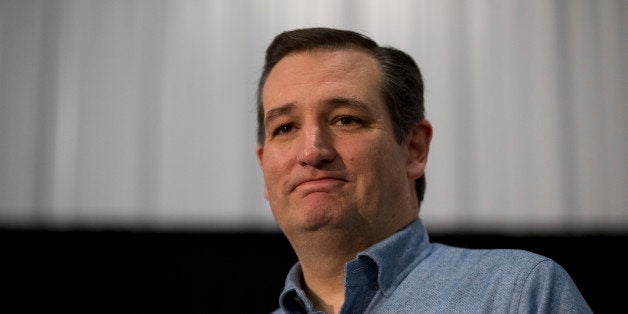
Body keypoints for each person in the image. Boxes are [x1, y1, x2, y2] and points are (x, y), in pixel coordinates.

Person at [255, 27, 591, 314]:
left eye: (346, 119)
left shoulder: (517, 293)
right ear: (263, 166)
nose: (312, 151)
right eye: (285, 128)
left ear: (414, 149)